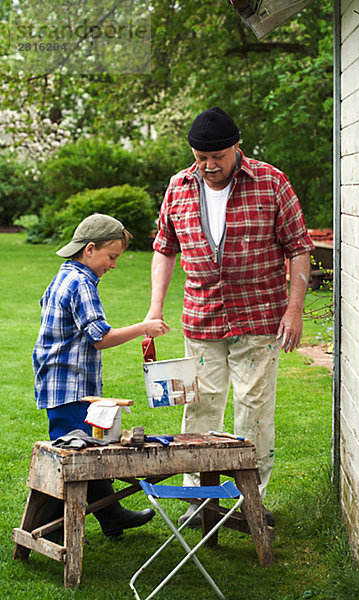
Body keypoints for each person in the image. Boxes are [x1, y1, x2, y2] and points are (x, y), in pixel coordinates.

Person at [145, 107, 314, 528]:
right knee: (199, 406)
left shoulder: (271, 182)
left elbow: (299, 247)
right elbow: (165, 248)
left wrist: (295, 309)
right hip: (202, 318)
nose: (209, 166)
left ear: (237, 147)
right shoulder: (179, 186)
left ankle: (246, 500)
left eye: (217, 156)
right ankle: (199, 500)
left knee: (254, 409)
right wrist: (154, 308)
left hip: (259, 317)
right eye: (201, 157)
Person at [33, 213, 170, 540]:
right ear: (90, 249)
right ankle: (49, 531)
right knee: (73, 458)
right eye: (112, 257)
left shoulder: (65, 276)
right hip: (70, 386)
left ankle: (111, 516)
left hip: (60, 382)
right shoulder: (81, 284)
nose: (114, 265)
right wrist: (143, 327)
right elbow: (100, 338)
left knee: (86, 450)